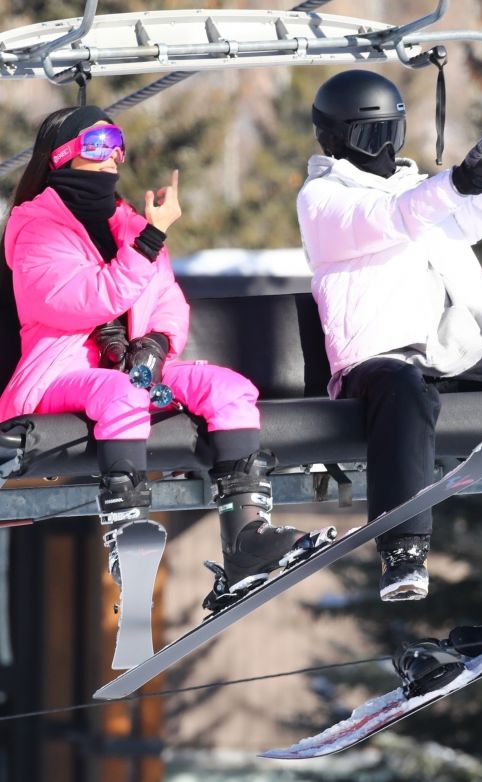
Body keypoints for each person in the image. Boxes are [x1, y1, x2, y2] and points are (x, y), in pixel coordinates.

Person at [0, 104, 326, 609]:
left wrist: (155, 344)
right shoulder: (35, 226)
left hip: (129, 375)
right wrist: (151, 240)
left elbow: (168, 300)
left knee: (230, 389)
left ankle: (246, 541)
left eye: (117, 143)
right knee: (120, 392)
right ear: (63, 155)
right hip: (58, 373)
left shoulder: (129, 223)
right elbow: (84, 299)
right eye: (97, 143)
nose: (113, 155)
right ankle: (126, 539)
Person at [297, 68, 482, 603]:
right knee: (404, 389)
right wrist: (455, 183)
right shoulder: (323, 200)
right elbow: (391, 218)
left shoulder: (417, 191)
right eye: (368, 136)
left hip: (451, 353)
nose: (381, 148)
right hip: (375, 362)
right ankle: (403, 551)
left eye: (389, 135)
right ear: (334, 139)